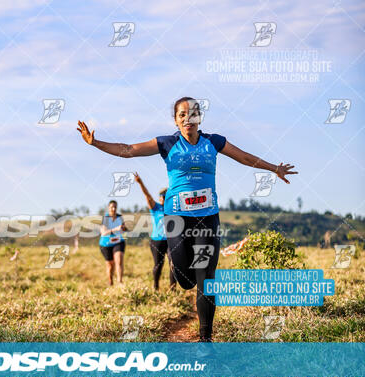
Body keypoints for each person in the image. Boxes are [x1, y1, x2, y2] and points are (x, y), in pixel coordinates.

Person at [77, 97, 297, 342]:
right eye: (182, 115)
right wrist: (95, 143)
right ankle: (179, 266)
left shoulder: (213, 142)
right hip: (177, 219)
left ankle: (206, 339)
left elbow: (243, 157)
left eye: (192, 114)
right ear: (176, 120)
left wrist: (273, 169)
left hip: (207, 219)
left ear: (199, 118)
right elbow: (128, 150)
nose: (187, 118)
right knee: (184, 280)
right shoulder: (167, 143)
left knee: (206, 277)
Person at [133, 172, 175, 291]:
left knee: (173, 264)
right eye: (161, 196)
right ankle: (156, 287)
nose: (162, 198)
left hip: (170, 241)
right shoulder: (155, 207)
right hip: (157, 241)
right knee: (158, 264)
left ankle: (173, 289)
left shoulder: (172, 209)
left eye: (165, 196)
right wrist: (140, 183)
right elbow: (147, 196)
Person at [99, 200, 127, 286]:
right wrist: (115, 229)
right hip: (106, 244)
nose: (114, 209)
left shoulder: (120, 217)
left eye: (115, 207)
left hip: (118, 242)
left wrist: (124, 228)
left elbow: (123, 229)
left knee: (119, 260)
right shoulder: (105, 218)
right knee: (110, 265)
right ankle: (110, 282)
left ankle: (120, 282)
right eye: (112, 207)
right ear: (108, 208)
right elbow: (103, 233)